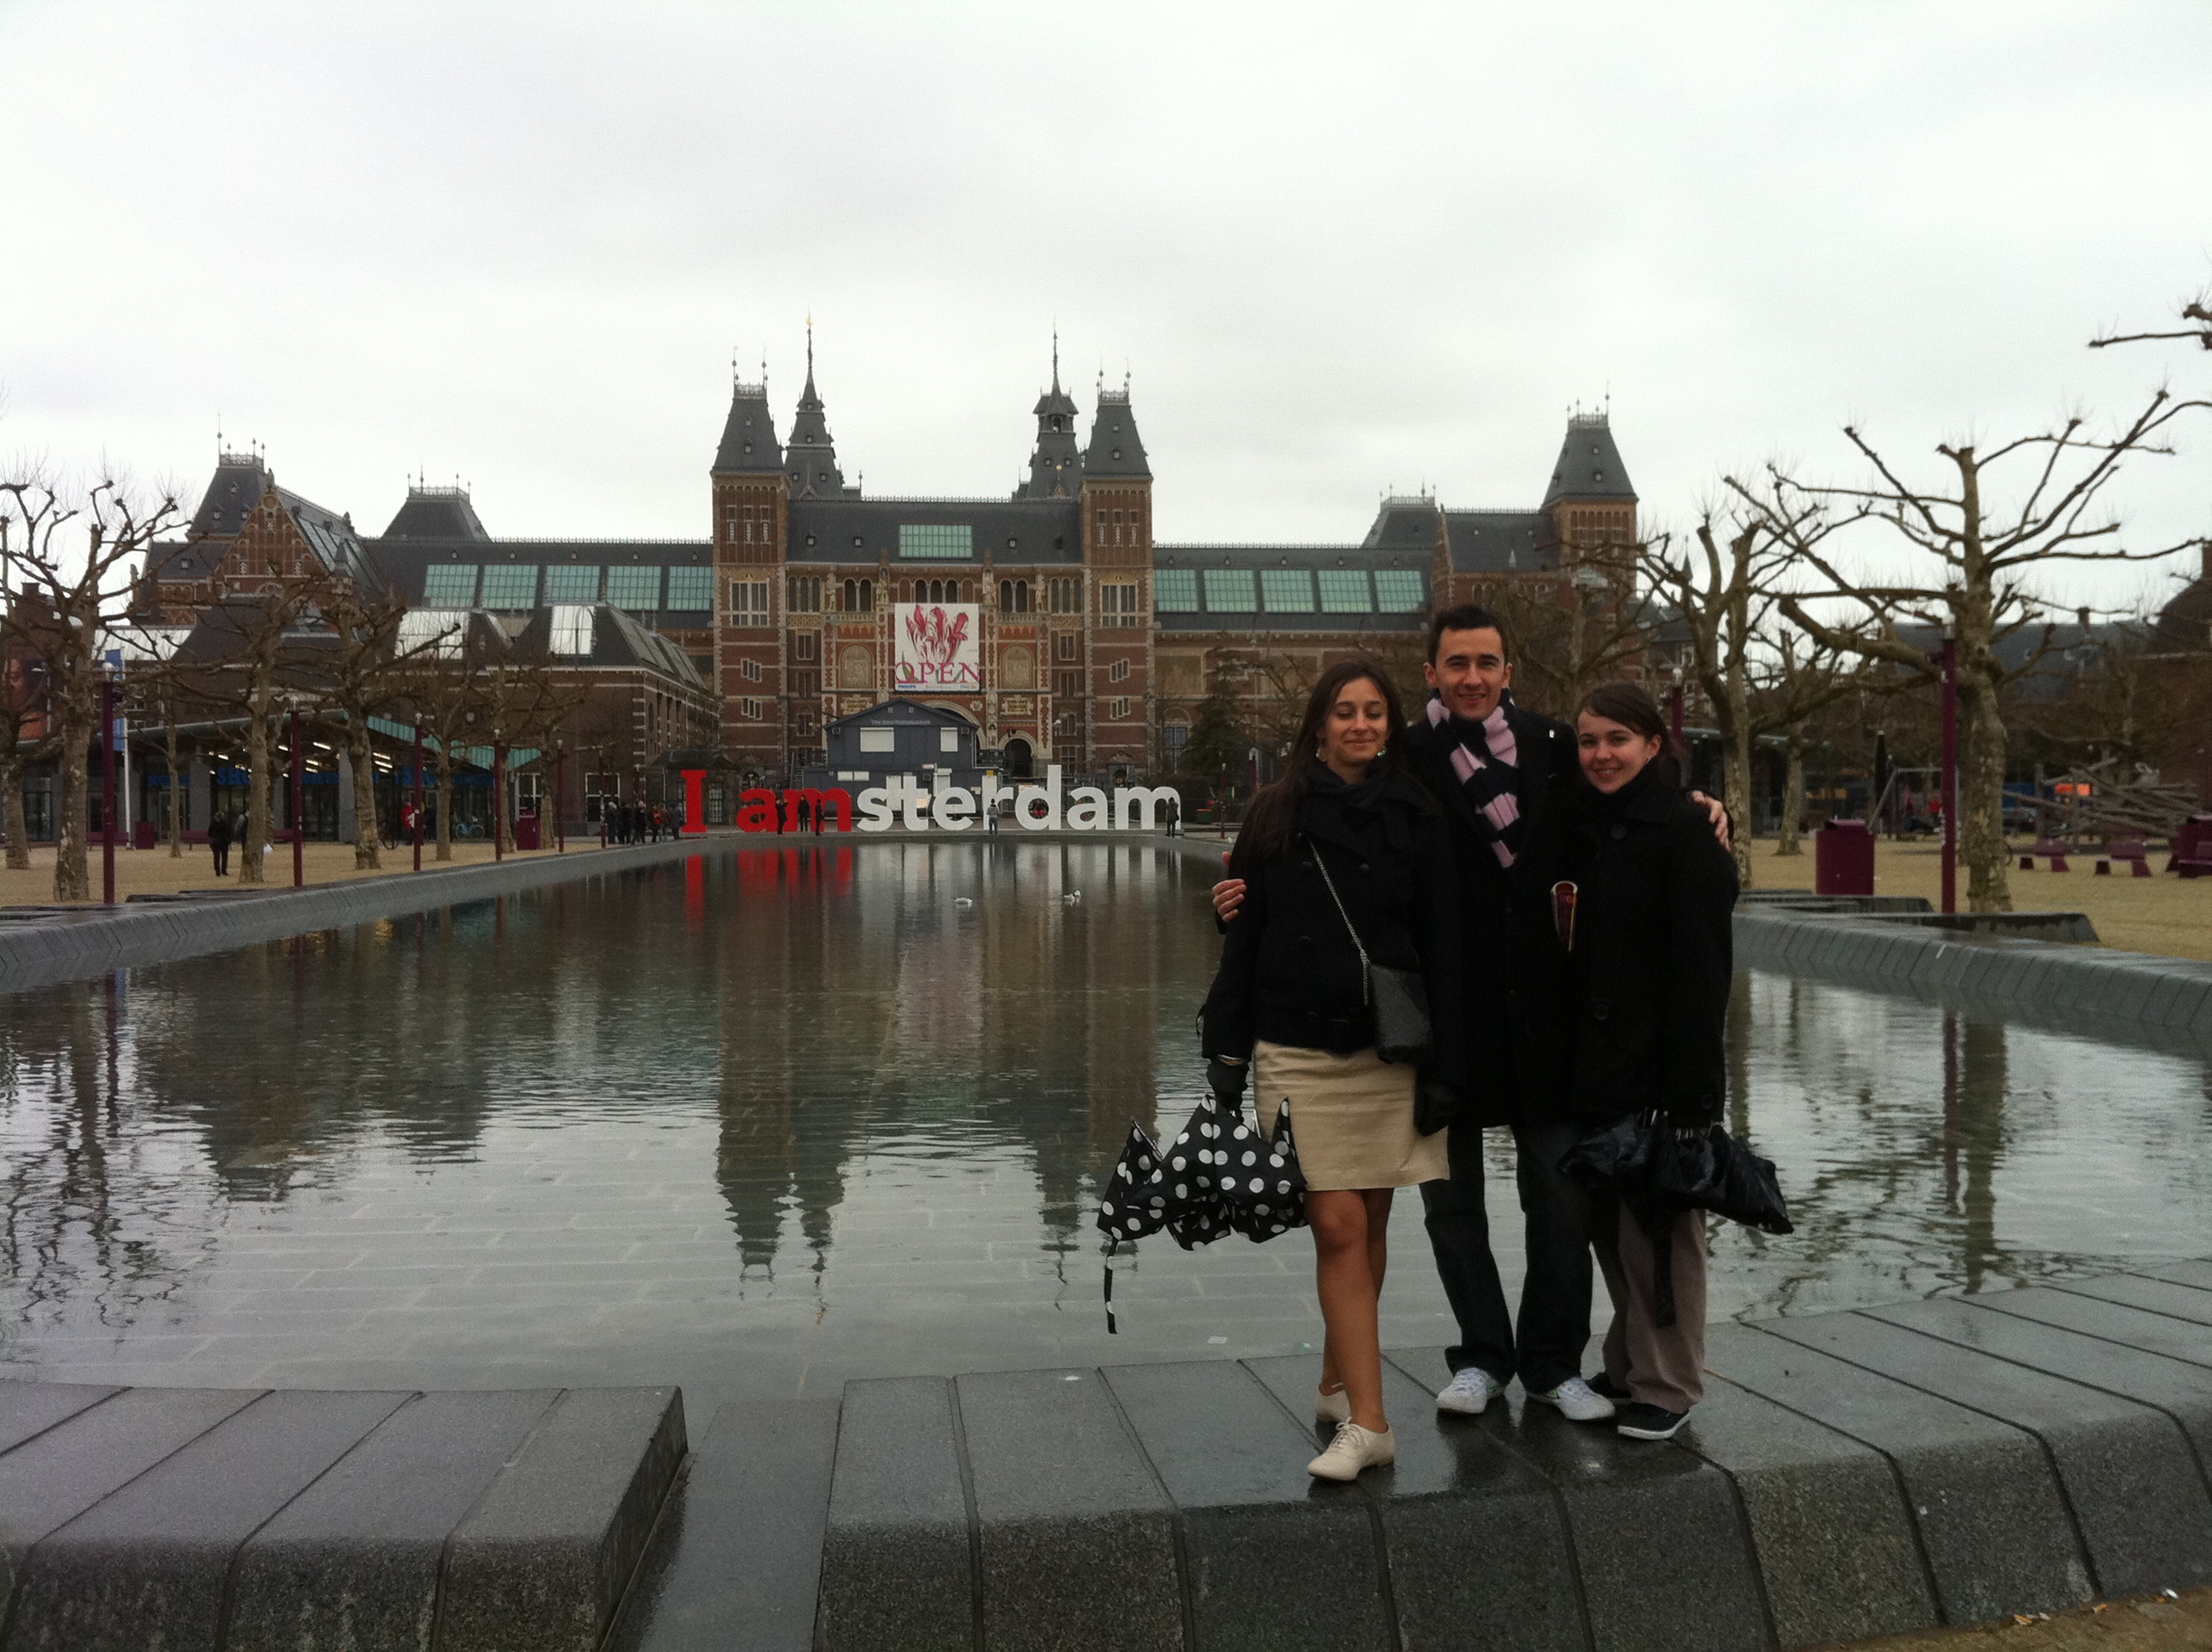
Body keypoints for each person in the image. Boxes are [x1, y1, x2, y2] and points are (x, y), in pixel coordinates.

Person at [1212, 606, 1729, 1425]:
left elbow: (1623, 802)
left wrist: (1697, 806)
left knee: (1559, 1197)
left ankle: (1552, 1362)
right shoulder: (1407, 755)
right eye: (1457, 664)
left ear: (1508, 669)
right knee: (1452, 1204)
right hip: (1445, 1016)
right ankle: (1483, 1354)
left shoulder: (1559, 748)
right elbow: (1330, 849)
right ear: (1431, 674)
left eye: (1487, 662)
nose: (1473, 677)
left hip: (1551, 1016)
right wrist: (1239, 900)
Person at [1199, 659, 1464, 1481]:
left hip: (1387, 1050)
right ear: (1319, 723)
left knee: (1370, 1225)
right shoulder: (1275, 812)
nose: (1360, 725)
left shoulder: (1419, 814)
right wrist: (1227, 1050)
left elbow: (1446, 946)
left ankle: (1333, 1382)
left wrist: (1449, 1065)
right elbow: (1247, 938)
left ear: (1391, 724)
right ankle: (1371, 1425)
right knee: (1340, 1227)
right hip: (1297, 1051)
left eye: (1374, 712)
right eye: (1345, 711)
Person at [1511, 681, 1737, 1440]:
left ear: (1652, 744)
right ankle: (1632, 1361)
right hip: (1586, 1068)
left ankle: (1669, 1384)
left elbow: (1703, 976)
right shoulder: (1573, 821)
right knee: (1615, 1233)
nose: (1602, 754)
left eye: (1618, 739)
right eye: (1589, 741)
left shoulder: (1686, 831)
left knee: (1662, 1237)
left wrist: (1695, 1098)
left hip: (1654, 1075)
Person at [208, 809, 232, 876]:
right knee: (224, 857)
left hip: (215, 842)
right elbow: (229, 832)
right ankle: (224, 870)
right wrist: (229, 841)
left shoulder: (213, 824)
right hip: (224, 842)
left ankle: (217, 871)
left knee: (216, 857)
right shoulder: (226, 824)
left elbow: (209, 834)